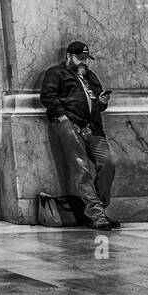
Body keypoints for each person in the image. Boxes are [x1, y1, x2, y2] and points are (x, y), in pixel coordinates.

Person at [39, 40, 119, 231]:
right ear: (69, 57)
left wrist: (102, 101)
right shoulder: (56, 73)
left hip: (93, 128)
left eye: (86, 59)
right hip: (70, 125)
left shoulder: (90, 76)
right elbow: (47, 96)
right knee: (82, 169)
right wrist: (62, 117)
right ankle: (97, 215)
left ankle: (96, 211)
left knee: (109, 163)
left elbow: (98, 105)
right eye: (80, 58)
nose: (84, 62)